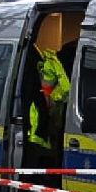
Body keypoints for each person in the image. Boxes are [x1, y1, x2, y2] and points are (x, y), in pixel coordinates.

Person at [27, 15, 72, 164]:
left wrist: (52, 98)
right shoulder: (52, 64)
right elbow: (61, 89)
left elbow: (63, 89)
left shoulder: (52, 62)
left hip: (52, 119)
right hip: (46, 121)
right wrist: (52, 98)